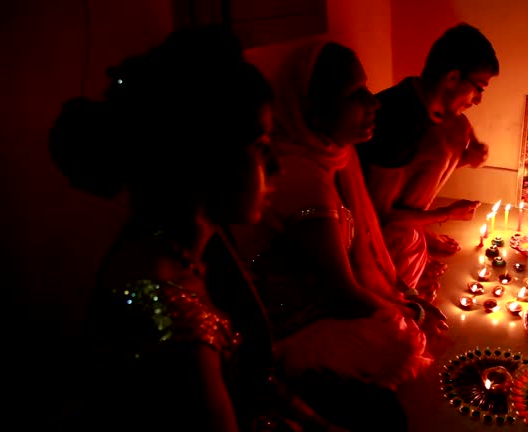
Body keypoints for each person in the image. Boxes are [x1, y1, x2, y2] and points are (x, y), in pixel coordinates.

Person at [50, 27, 344, 432]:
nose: (276, 167)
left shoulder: (192, 243)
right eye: (261, 147)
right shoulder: (172, 323)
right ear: (200, 157)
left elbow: (253, 376)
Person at [239, 40, 446, 432]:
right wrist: (409, 313)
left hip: (321, 304)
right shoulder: (302, 175)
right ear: (312, 110)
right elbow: (341, 292)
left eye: (367, 89)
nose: (375, 103)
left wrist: (405, 296)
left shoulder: (336, 154)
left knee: (412, 280)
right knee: (406, 341)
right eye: (355, 95)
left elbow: (366, 244)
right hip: (291, 327)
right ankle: (309, 382)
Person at [357, 23, 499, 300]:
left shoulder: (440, 114)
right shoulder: (399, 122)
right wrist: (446, 214)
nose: (479, 100)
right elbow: (380, 216)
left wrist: (464, 159)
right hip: (377, 245)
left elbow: (416, 171)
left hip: (407, 234)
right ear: (453, 77)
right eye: (478, 88)